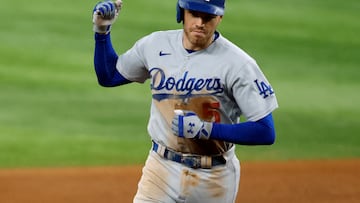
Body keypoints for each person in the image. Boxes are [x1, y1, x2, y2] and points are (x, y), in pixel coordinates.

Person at [92, 0, 278, 202]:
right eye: (195, 14)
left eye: (208, 17)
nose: (200, 22)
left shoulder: (239, 64)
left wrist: (206, 130)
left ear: (220, 18)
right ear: (182, 12)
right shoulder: (155, 45)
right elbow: (109, 76)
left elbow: (265, 131)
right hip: (160, 170)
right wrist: (102, 32)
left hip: (214, 178)